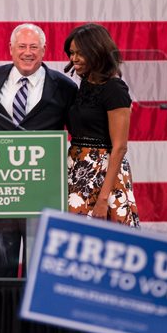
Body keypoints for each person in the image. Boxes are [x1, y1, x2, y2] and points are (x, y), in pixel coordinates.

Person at [0, 23, 77, 278]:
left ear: (44, 50)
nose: (27, 52)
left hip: (44, 192)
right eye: (22, 46)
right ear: (11, 49)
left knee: (40, 275)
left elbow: (78, 135)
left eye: (34, 47)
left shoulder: (65, 87)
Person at [63, 23, 140, 226]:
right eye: (71, 53)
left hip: (104, 176)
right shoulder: (85, 85)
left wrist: (103, 198)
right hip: (77, 170)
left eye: (80, 53)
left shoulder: (114, 88)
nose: (74, 59)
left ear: (97, 51)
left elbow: (120, 147)